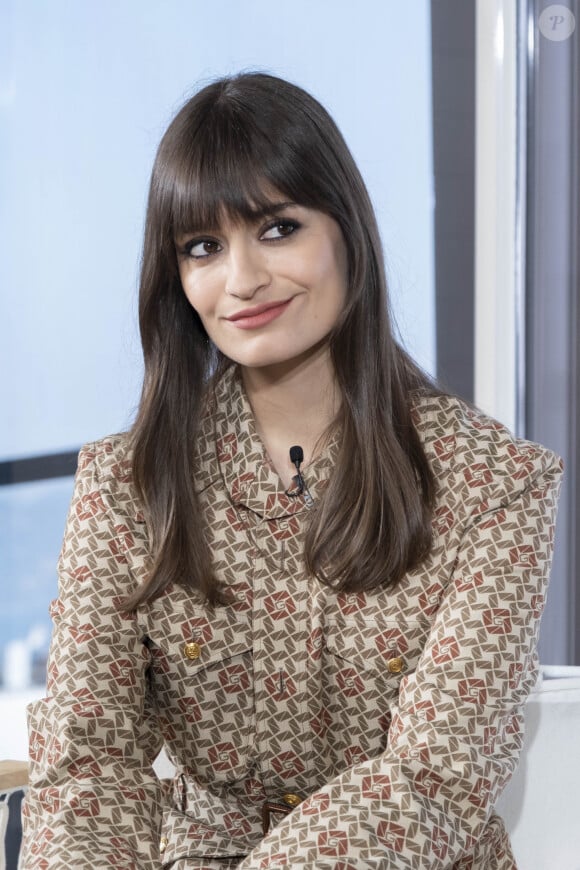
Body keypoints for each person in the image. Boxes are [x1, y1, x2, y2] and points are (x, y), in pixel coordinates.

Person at [21, 72, 562, 870]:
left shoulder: (494, 484)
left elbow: (436, 777)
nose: (240, 280)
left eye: (277, 229)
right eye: (202, 248)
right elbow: (89, 771)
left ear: (346, 230)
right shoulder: (125, 484)